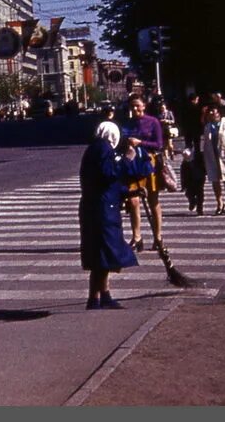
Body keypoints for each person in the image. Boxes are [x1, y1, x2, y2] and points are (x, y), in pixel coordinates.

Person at [79, 121, 141, 309]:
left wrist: (128, 192)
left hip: (100, 206)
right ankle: (96, 298)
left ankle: (101, 296)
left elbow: (105, 181)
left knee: (103, 254)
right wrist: (128, 159)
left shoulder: (97, 148)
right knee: (105, 253)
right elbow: (108, 174)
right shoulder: (102, 148)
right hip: (102, 210)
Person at [119, 94, 164, 253]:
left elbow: (158, 144)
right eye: (132, 106)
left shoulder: (153, 122)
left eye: (138, 105)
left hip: (148, 163)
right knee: (133, 201)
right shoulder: (128, 124)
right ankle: (137, 236)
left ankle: (158, 237)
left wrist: (141, 143)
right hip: (132, 164)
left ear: (144, 106)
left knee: (153, 201)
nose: (135, 109)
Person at [201, 103, 225, 216]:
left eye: (214, 111)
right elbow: (206, 142)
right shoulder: (208, 126)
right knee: (215, 180)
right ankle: (219, 203)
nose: (212, 113)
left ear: (219, 112)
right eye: (210, 111)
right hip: (212, 156)